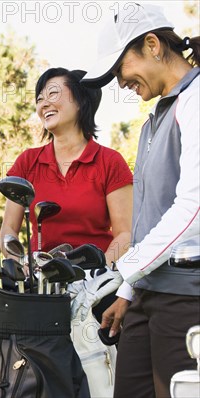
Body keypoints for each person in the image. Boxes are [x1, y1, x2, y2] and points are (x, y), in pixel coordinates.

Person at [80, 3, 200, 397]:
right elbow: (153, 215)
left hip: (186, 296)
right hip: (148, 292)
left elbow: (192, 208)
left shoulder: (195, 101)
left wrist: (124, 271)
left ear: (152, 44)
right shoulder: (155, 119)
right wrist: (129, 290)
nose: (119, 82)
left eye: (120, 69)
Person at [0, 67, 133, 396]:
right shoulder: (28, 162)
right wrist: (24, 259)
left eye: (54, 93)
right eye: (39, 97)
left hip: (95, 288)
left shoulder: (109, 162)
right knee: (44, 378)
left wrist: (99, 271)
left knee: (97, 379)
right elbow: (8, 233)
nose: (44, 101)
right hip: (41, 286)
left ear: (81, 101)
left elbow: (126, 234)